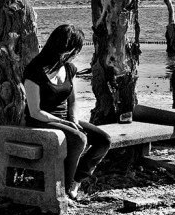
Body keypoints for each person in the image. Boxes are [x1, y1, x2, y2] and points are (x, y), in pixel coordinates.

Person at [23, 24, 112, 203]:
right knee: (78, 139)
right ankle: (62, 189)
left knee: (104, 140)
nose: (75, 54)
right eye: (74, 49)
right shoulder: (35, 70)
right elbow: (35, 111)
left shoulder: (69, 68)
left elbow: (73, 101)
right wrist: (64, 123)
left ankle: (75, 181)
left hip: (64, 119)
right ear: (62, 47)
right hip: (40, 121)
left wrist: (72, 119)